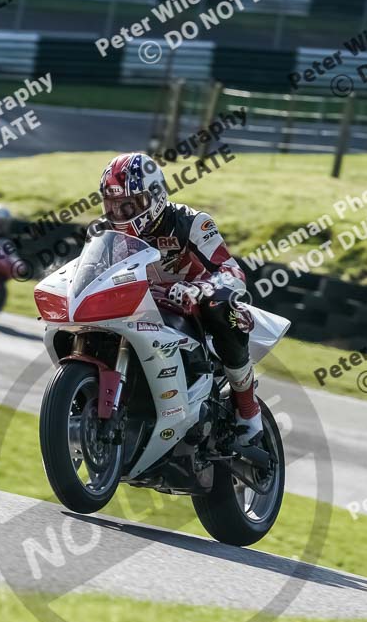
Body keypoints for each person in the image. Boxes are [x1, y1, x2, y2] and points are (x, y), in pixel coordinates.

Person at [98, 152, 262, 447]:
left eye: (129, 205)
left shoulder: (192, 223)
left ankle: (248, 411)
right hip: (142, 309)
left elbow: (232, 273)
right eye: (113, 206)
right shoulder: (105, 233)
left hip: (195, 310)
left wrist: (197, 290)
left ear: (155, 197)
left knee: (223, 307)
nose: (120, 214)